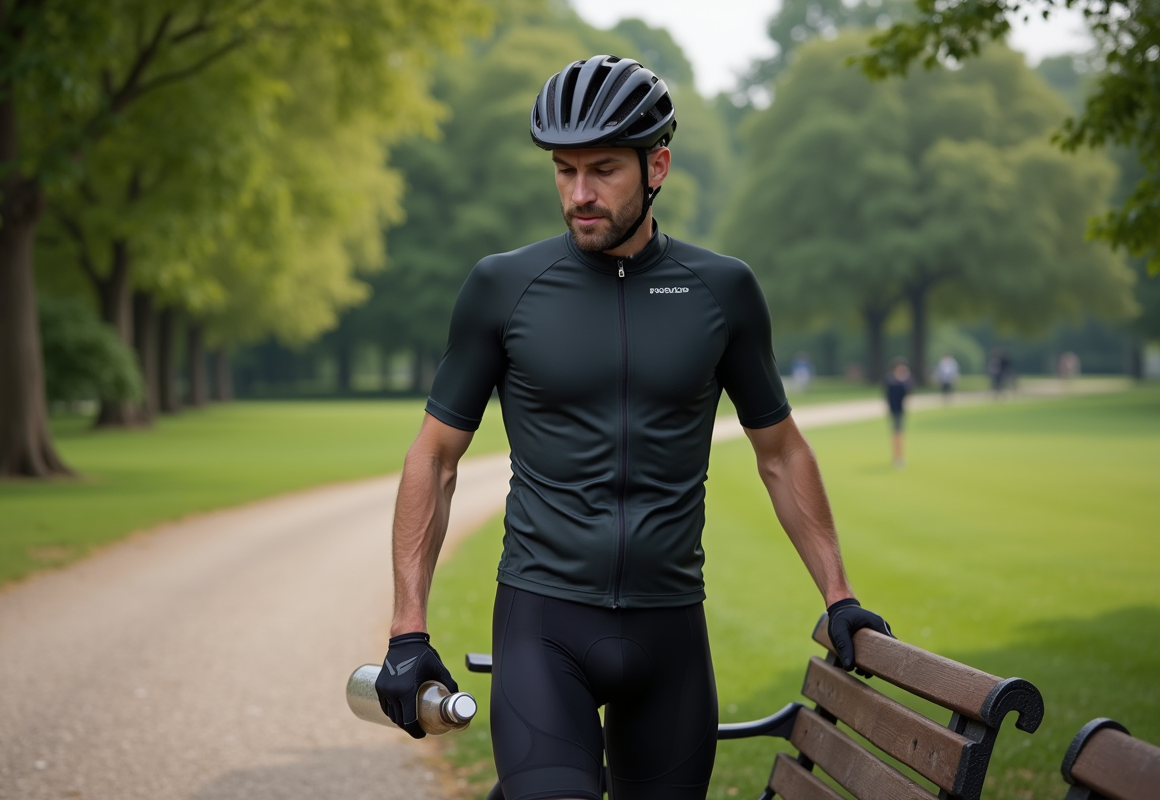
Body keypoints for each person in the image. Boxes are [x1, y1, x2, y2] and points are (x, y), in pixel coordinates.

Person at [374, 55, 892, 800]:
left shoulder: (724, 292)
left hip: (671, 634)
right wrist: (407, 629)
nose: (579, 194)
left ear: (659, 166)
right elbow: (434, 460)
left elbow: (779, 453)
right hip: (543, 626)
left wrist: (839, 595)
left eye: (604, 170)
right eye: (564, 170)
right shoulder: (502, 287)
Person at [884, 357, 914, 468]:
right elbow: (889, 389)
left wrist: (905, 377)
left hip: (901, 410)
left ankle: (899, 456)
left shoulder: (905, 380)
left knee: (900, 434)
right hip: (894, 409)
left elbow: (909, 389)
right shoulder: (890, 379)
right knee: (896, 434)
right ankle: (897, 457)